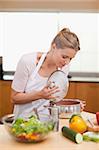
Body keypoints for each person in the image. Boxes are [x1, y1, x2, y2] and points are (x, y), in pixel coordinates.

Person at [11, 27, 81, 119]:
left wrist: (73, 106)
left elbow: (53, 100)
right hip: (24, 123)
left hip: (49, 123)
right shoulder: (28, 61)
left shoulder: (64, 68)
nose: (67, 62)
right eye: (64, 57)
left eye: (70, 58)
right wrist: (40, 95)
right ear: (53, 46)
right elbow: (14, 98)